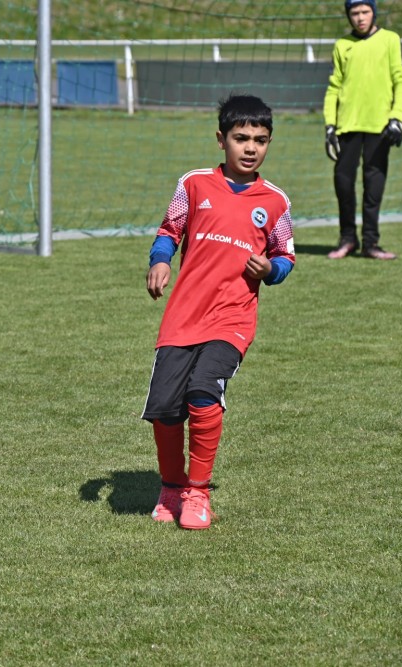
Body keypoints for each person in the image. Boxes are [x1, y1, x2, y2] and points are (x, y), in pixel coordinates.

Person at [141, 94, 296, 530]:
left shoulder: (276, 201)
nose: (250, 148)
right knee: (166, 409)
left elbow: (286, 256)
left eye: (260, 140)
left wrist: (271, 270)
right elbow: (169, 230)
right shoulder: (194, 184)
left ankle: (199, 492)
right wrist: (160, 260)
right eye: (241, 138)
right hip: (183, 316)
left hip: (232, 318)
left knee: (204, 391)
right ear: (221, 139)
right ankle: (171, 487)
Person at [323, 0, 402, 260]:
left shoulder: (390, 39)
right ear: (349, 16)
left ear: (374, 12)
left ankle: (371, 242)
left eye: (365, 11)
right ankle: (348, 238)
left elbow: (401, 80)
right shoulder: (342, 45)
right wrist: (330, 124)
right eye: (355, 13)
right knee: (343, 181)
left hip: (380, 126)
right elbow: (334, 87)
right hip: (347, 125)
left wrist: (396, 117)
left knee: (374, 185)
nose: (360, 17)